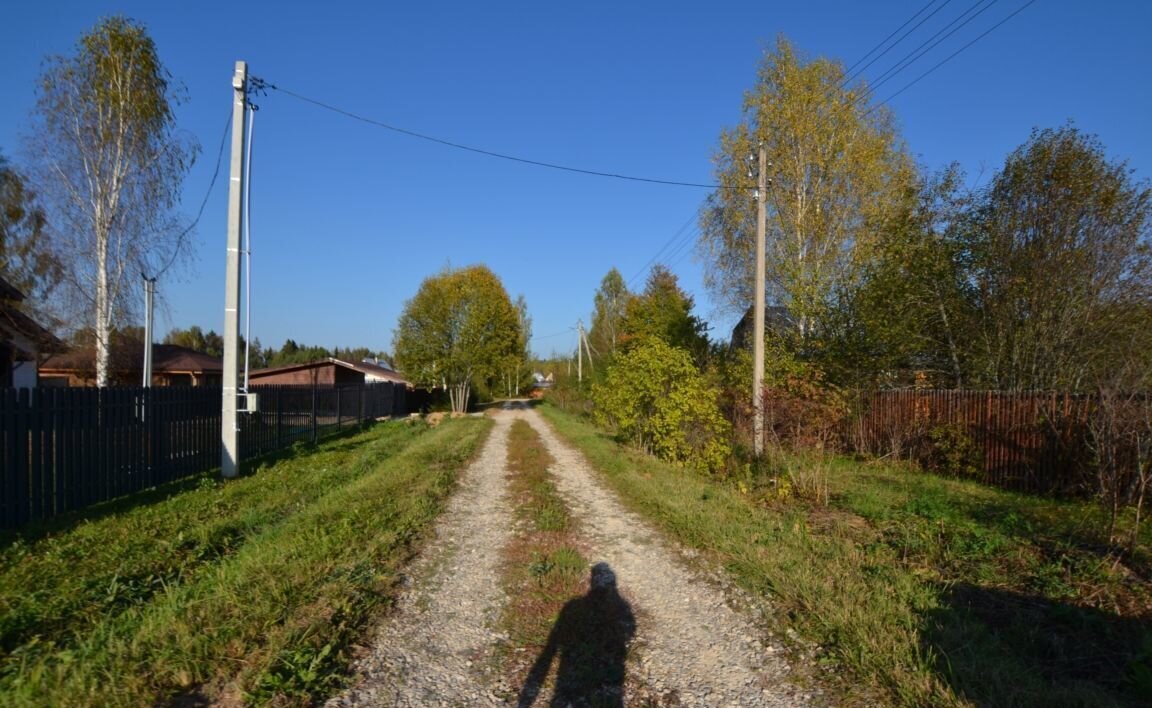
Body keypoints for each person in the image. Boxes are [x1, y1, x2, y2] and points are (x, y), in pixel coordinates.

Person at [517, 563, 636, 707]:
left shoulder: (574, 605)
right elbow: (629, 632)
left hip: (572, 671)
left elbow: (555, 642)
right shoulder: (621, 606)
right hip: (608, 671)